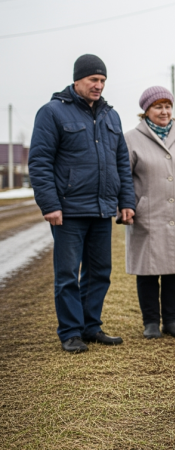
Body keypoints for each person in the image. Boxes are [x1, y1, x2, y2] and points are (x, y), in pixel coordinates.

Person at [29, 54, 135, 353]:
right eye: (93, 80)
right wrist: (49, 204)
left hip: (102, 209)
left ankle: (91, 327)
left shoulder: (110, 116)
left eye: (102, 81)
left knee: (100, 272)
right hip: (68, 210)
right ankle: (70, 332)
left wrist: (126, 201)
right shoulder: (52, 113)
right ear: (77, 80)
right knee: (67, 275)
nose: (98, 85)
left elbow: (121, 164)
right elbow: (39, 162)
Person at [124, 86, 175, 340]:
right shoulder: (131, 139)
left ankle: (172, 320)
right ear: (146, 111)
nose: (164, 111)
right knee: (147, 271)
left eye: (168, 106)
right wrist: (130, 206)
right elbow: (122, 177)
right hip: (147, 216)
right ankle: (150, 322)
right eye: (158, 106)